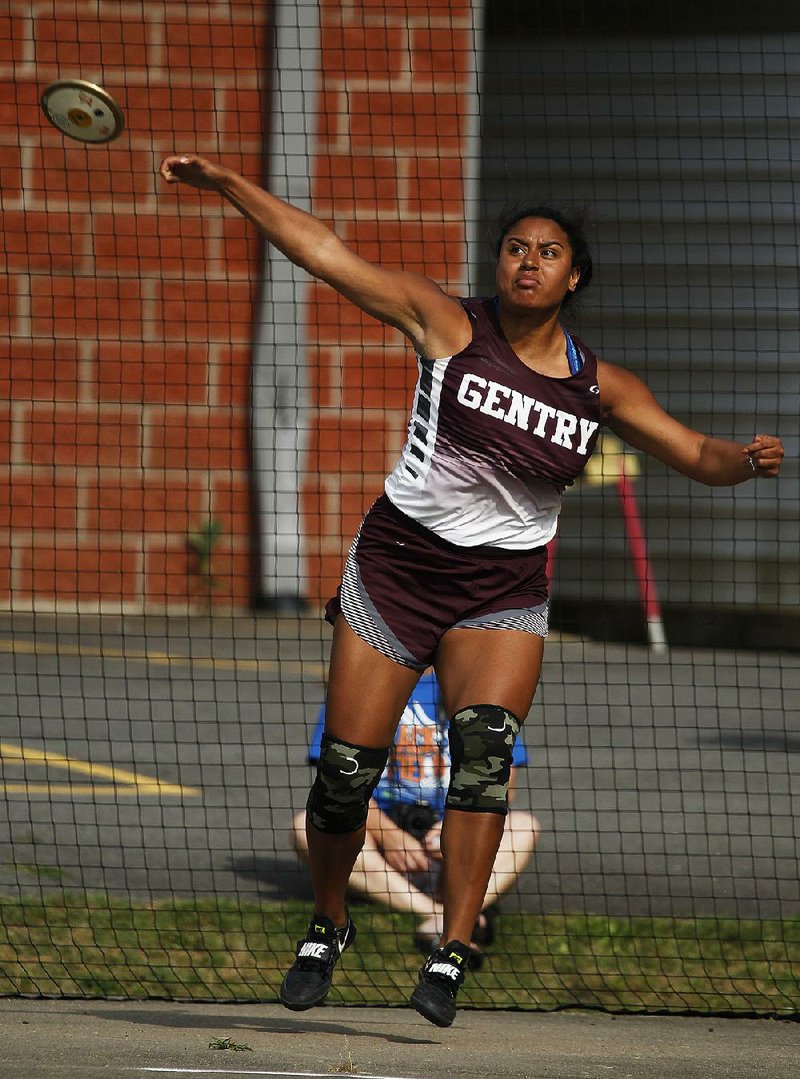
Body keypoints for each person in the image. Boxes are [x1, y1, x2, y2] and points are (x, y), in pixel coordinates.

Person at [159, 153, 785, 1027]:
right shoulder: (449, 325)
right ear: (500, 264)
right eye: (515, 248)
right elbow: (326, 252)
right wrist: (231, 184)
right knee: (345, 774)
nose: (528, 261)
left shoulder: (598, 386)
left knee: (485, 757)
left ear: (574, 277)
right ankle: (328, 921)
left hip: (501, 592)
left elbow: (696, 454)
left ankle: (452, 946)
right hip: (398, 571)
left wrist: (743, 462)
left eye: (548, 251)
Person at [291, 671, 539, 965]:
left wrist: (455, 827)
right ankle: (440, 916)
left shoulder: (480, 682)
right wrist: (391, 837)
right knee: (304, 827)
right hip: (379, 842)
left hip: (453, 832)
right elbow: (336, 782)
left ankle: (451, 912)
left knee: (524, 828)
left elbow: (504, 783)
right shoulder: (362, 680)